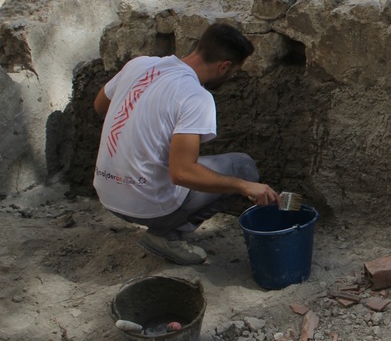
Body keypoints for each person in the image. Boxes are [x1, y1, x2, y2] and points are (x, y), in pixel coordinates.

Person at [93, 22, 279, 265]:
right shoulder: (196, 97)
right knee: (243, 169)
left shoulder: (139, 65)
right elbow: (182, 173)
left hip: (107, 192)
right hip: (146, 206)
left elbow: (99, 106)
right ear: (224, 66)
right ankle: (165, 235)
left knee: (193, 165)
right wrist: (244, 186)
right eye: (233, 72)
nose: (231, 77)